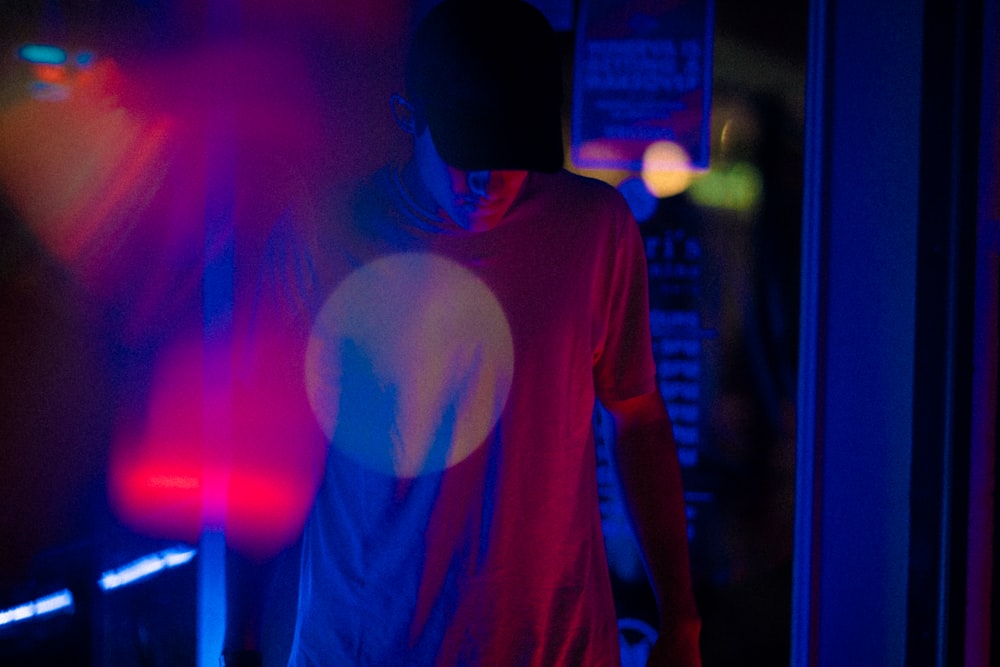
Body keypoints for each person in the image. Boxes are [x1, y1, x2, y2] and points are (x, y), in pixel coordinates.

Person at [225, 1, 701, 665]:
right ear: (408, 118)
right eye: (468, 148)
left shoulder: (593, 231)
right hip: (369, 645)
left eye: (513, 150)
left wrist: (681, 619)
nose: (490, 178)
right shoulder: (322, 235)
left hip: (555, 645)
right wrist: (239, 633)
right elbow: (265, 447)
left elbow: (638, 416)